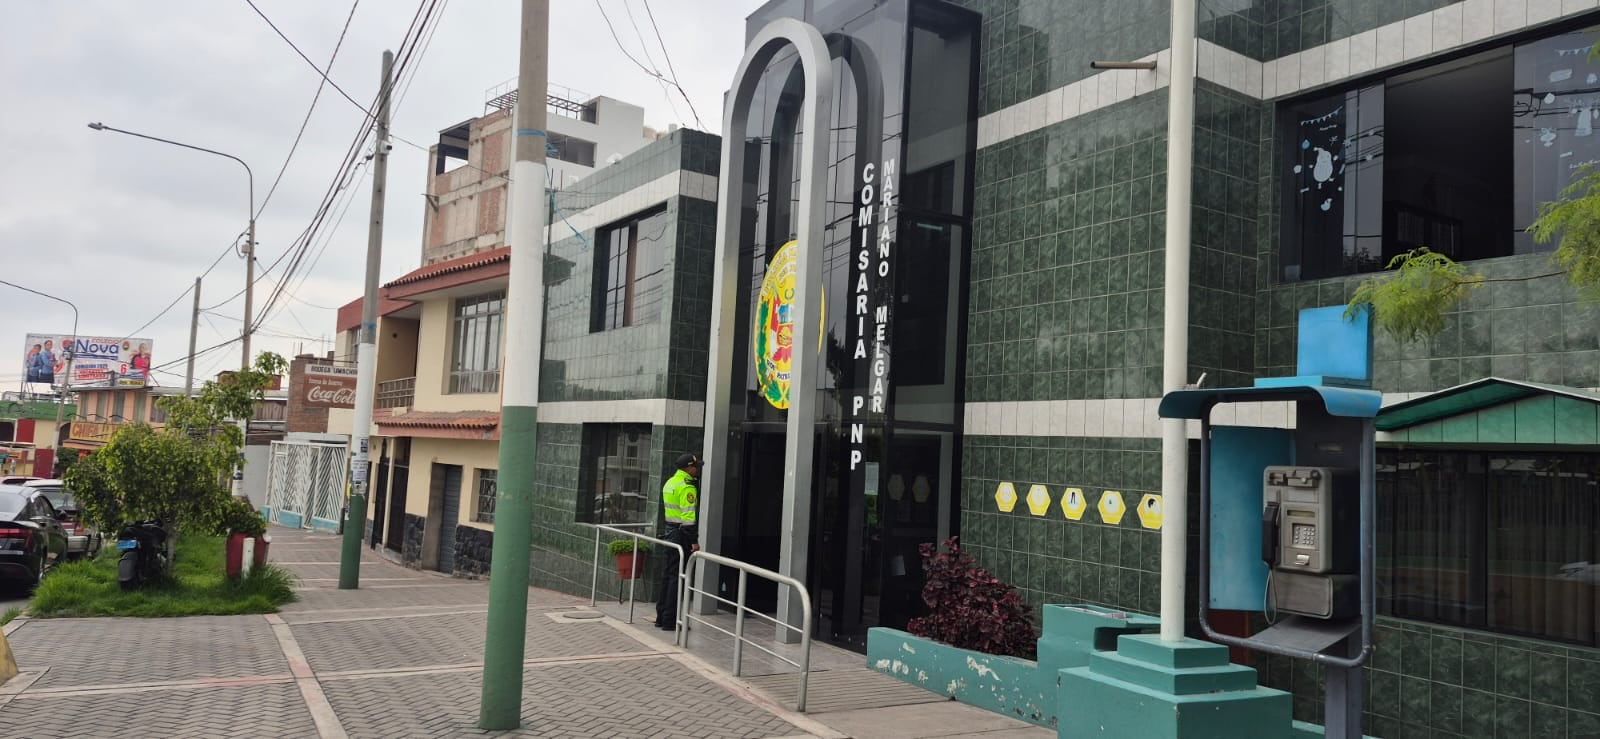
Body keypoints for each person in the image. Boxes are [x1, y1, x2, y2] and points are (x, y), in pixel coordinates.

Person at [655, 453, 701, 630]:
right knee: (677, 579)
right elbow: (688, 519)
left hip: (669, 532)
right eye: (696, 467)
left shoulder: (670, 482)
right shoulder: (687, 486)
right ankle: (670, 621)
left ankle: (661, 616)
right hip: (681, 535)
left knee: (668, 576)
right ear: (689, 468)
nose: (697, 470)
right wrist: (694, 542)